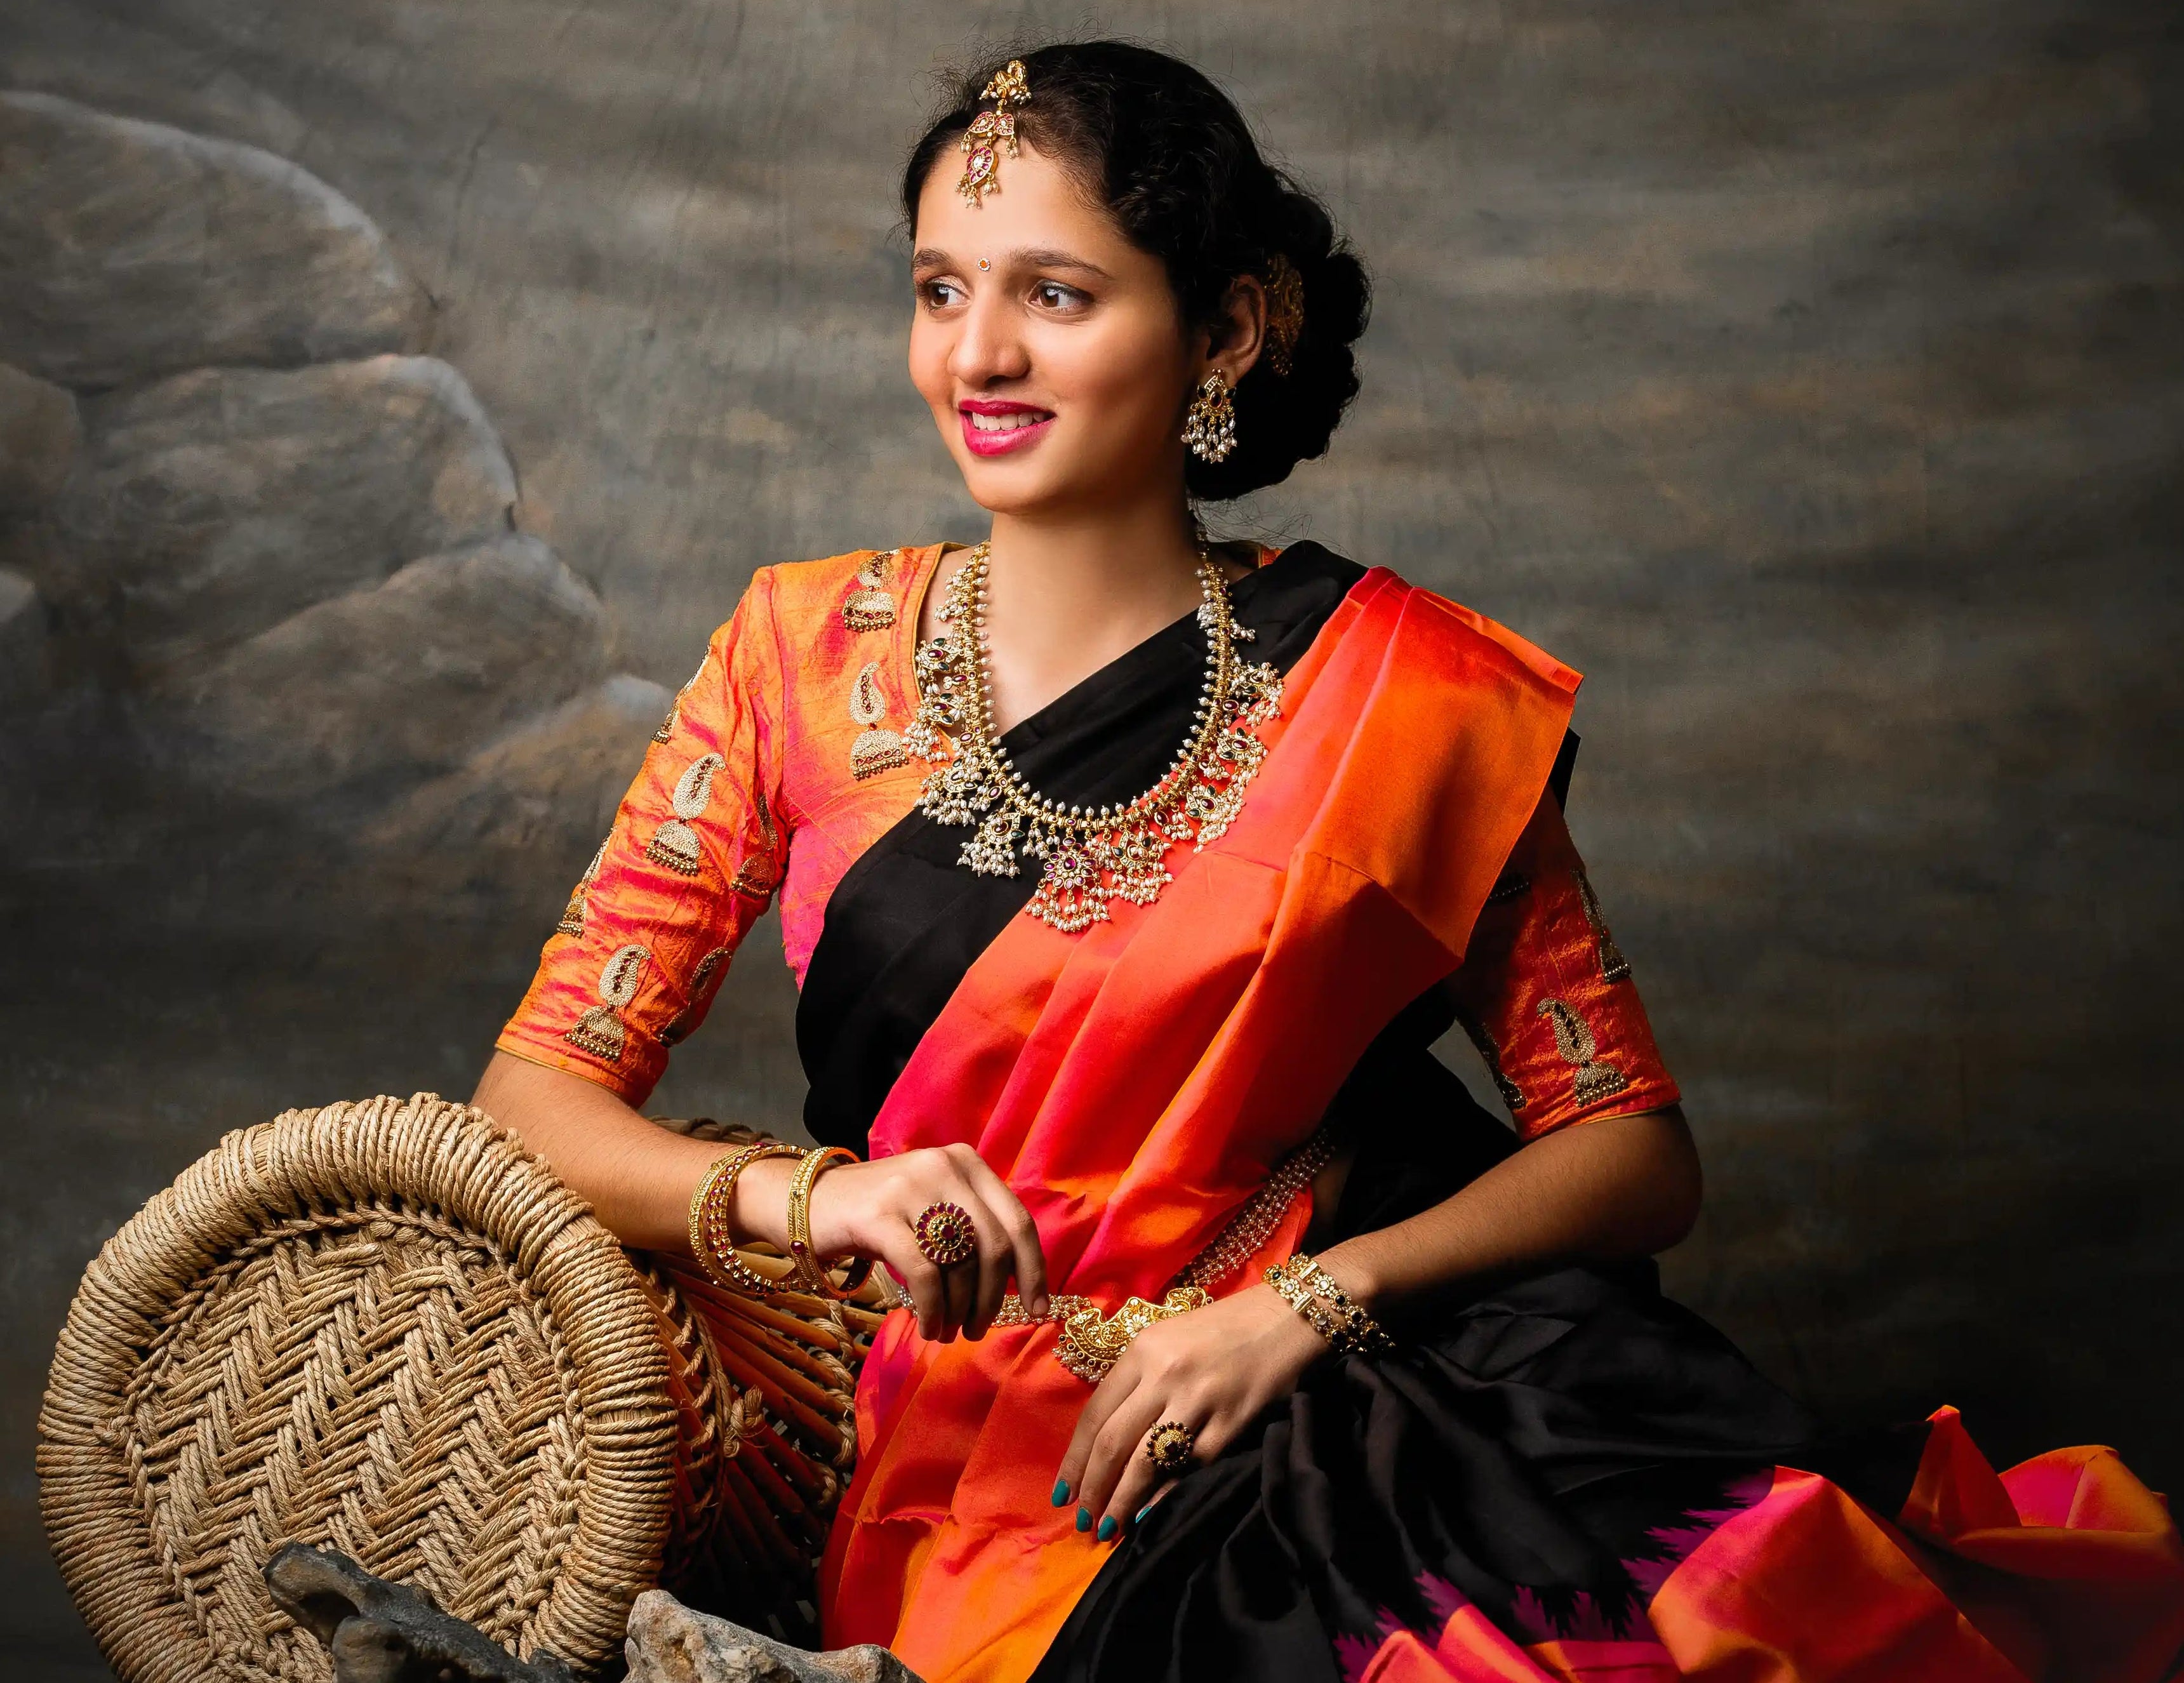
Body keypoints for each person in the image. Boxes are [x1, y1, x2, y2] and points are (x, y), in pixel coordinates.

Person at [476, 41, 2183, 1683]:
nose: (976, 355)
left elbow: (1631, 1153)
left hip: (1376, 1372)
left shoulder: (1402, 691)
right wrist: (817, 1195)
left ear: (1222, 327)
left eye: (1053, 295)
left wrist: (1314, 1301)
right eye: (939, 288)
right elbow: (537, 1092)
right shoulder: (792, 658)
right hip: (991, 1464)